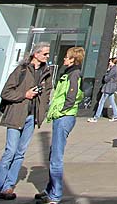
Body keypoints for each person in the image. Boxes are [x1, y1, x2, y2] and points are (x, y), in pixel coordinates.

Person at [0, 43, 54, 204]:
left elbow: (48, 91)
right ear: (36, 54)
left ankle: (8, 186)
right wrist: (25, 94)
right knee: (10, 151)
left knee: (20, 152)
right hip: (16, 115)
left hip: (32, 116)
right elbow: (6, 92)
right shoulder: (21, 70)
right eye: (45, 54)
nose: (47, 57)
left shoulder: (46, 72)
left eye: (48, 54)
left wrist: (42, 107)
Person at [40, 47, 84, 204]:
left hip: (64, 117)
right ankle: (50, 189)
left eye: (66, 57)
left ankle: (55, 195)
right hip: (61, 116)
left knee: (56, 157)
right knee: (53, 154)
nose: (64, 59)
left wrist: (60, 110)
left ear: (73, 59)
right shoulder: (67, 73)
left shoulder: (74, 74)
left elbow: (71, 97)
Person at [89, 58, 117, 122]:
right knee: (112, 102)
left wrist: (106, 73)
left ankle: (96, 117)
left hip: (108, 88)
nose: (109, 63)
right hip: (111, 88)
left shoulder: (113, 69)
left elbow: (106, 79)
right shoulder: (115, 69)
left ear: (112, 62)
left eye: (110, 62)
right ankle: (116, 116)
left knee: (101, 102)